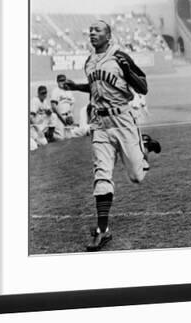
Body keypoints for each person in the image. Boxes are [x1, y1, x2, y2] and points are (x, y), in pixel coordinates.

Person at [63, 20, 162, 251]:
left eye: (97, 30)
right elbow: (95, 85)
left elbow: (143, 87)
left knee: (137, 176)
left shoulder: (120, 57)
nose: (92, 32)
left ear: (109, 36)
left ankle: (143, 145)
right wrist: (76, 87)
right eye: (91, 30)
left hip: (123, 121)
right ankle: (103, 231)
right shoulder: (89, 61)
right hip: (100, 124)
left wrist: (128, 71)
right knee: (101, 176)